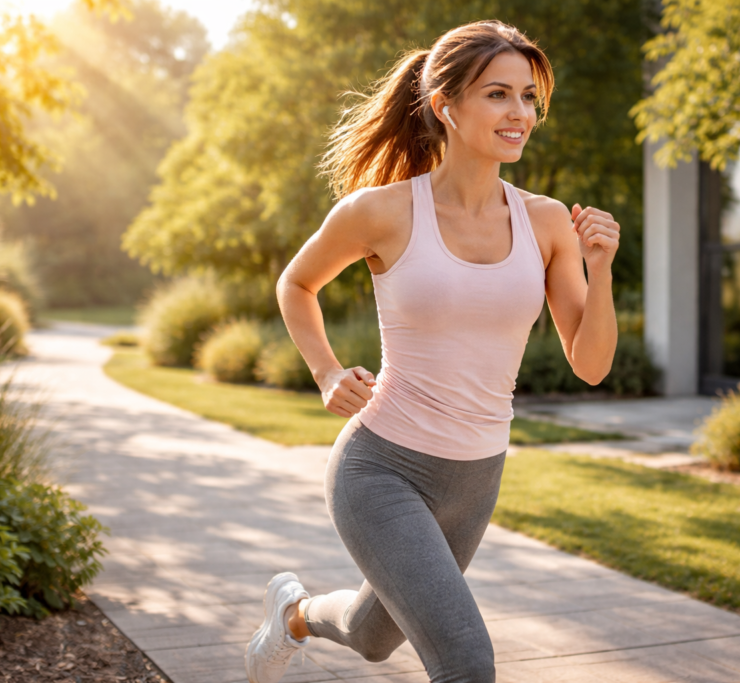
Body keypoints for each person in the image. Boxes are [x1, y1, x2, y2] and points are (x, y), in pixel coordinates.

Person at [244, 19, 620, 683]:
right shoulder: (381, 212)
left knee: (371, 634)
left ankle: (292, 614)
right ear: (446, 106)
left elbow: (590, 364)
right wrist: (326, 370)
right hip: (380, 466)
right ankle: (294, 614)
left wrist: (601, 265)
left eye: (529, 97)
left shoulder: (546, 221)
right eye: (498, 94)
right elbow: (296, 283)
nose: (520, 113)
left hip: (476, 479)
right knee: (466, 662)